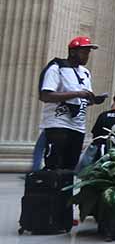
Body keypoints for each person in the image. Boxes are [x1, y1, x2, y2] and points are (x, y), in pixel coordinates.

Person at [38, 36, 103, 171]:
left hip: (78, 126)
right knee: (54, 165)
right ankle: (50, 191)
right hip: (58, 123)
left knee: (70, 166)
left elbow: (83, 99)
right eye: (84, 52)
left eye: (88, 53)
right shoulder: (56, 68)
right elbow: (45, 95)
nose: (87, 56)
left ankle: (63, 192)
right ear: (73, 52)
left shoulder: (85, 72)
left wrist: (94, 100)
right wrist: (78, 94)